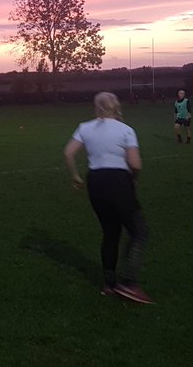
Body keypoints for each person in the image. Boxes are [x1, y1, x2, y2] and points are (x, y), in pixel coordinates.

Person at [64, 92, 152, 304]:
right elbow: (136, 164)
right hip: (119, 181)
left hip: (95, 182)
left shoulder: (85, 127)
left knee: (110, 232)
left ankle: (110, 285)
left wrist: (76, 176)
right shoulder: (126, 130)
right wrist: (134, 180)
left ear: (96, 107)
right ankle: (129, 283)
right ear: (116, 106)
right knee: (139, 232)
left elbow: (68, 152)